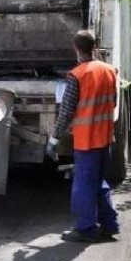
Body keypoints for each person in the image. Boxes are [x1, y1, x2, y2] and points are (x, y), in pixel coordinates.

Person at [46, 29, 120, 243]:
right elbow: (113, 102)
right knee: (99, 182)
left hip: (87, 140)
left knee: (83, 185)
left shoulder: (76, 75)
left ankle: (85, 229)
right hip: (105, 138)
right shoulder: (109, 71)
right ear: (95, 46)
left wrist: (53, 140)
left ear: (75, 48)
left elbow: (67, 111)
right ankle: (109, 225)